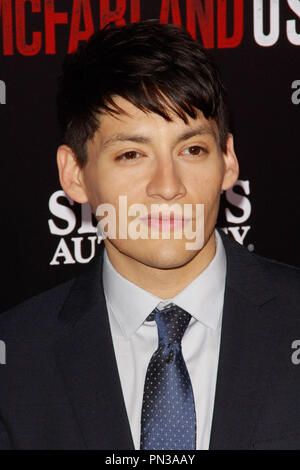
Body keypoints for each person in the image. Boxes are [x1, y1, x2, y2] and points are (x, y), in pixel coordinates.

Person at [0, 19, 300, 451]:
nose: (167, 185)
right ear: (75, 174)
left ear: (228, 161)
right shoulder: (15, 360)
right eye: (131, 154)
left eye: (191, 149)